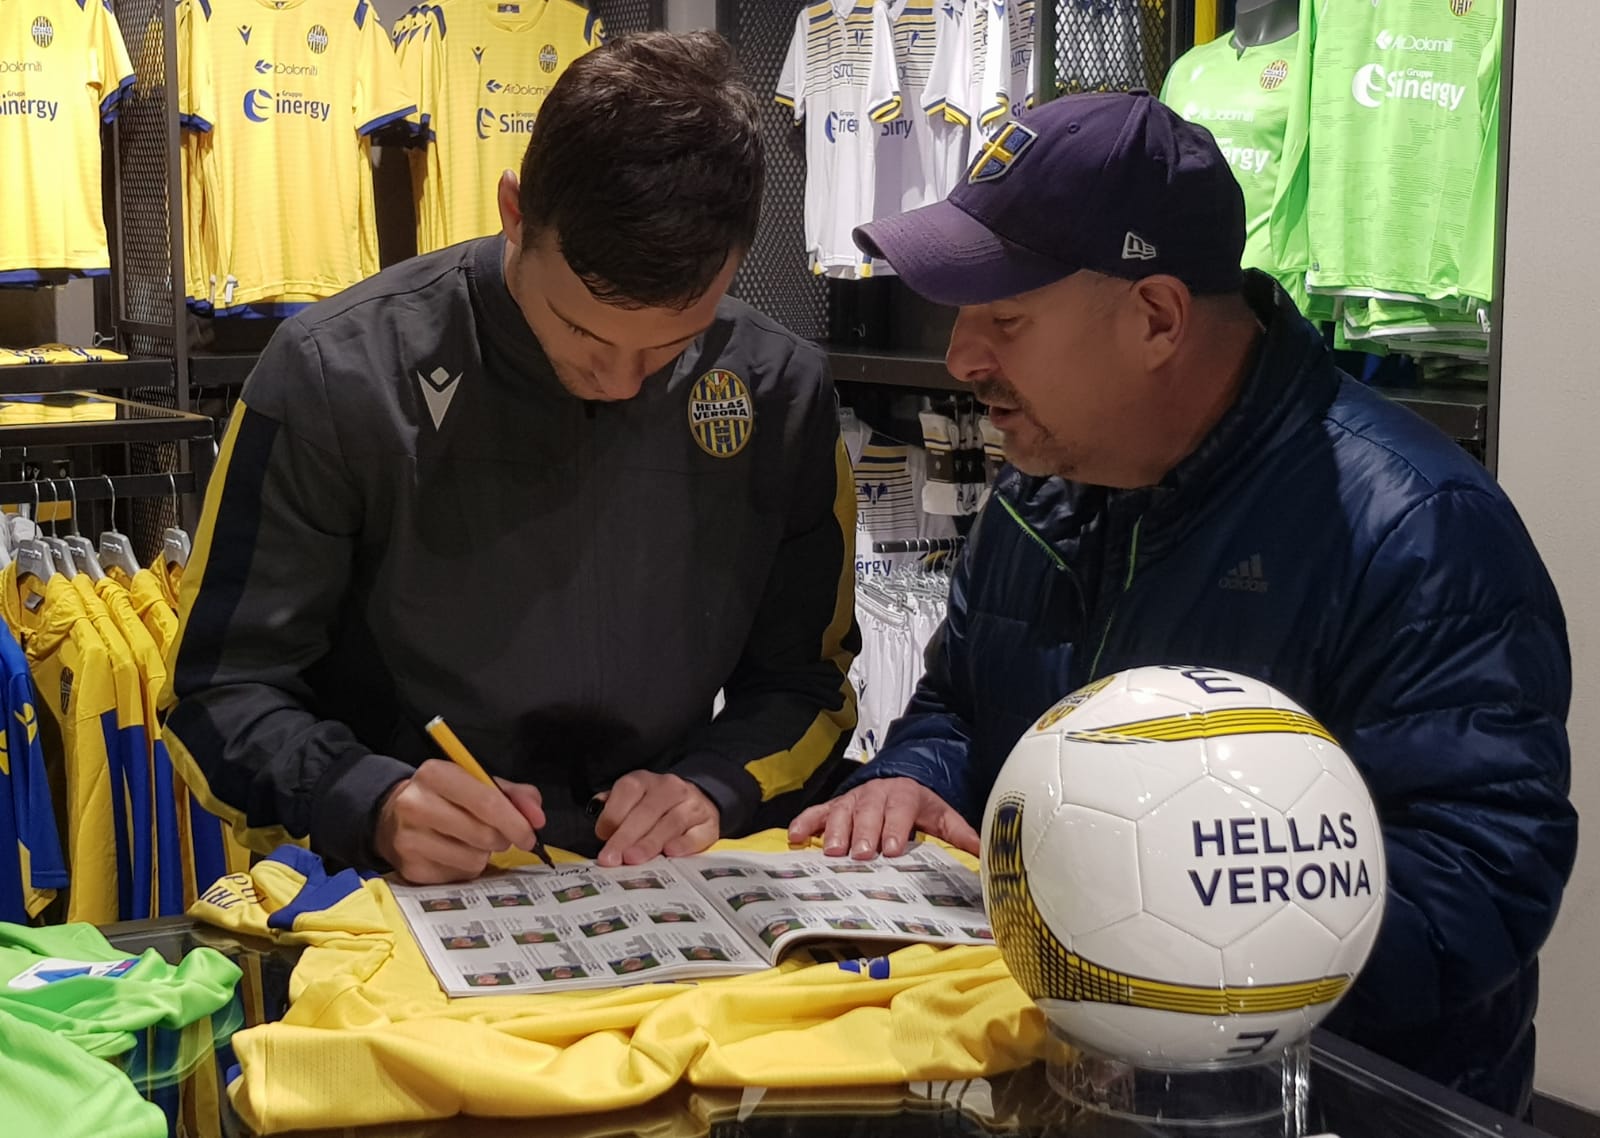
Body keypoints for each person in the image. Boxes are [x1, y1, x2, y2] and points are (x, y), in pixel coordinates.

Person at [790, 92, 1577, 1116]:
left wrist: (1169, 945)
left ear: (1157, 317)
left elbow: (1482, 875)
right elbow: (960, 707)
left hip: (1329, 1107)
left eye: (1005, 319)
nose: (960, 358)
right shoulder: (1040, 494)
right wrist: (910, 779)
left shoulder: (1418, 529)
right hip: (1076, 1090)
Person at [163, 31, 859, 885]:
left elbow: (807, 684)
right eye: (581, 330)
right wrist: (368, 801)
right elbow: (218, 691)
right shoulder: (336, 372)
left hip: (667, 884)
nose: (619, 380)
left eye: (671, 346)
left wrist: (715, 784)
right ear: (514, 213)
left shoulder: (779, 387)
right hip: (394, 890)